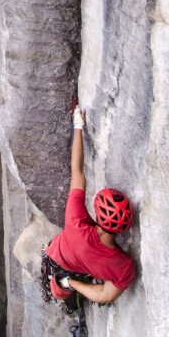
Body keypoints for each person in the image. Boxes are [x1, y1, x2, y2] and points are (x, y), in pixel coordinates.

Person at [43, 106, 136, 307]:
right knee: (62, 291)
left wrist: (78, 125)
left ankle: (63, 287)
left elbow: (77, 171)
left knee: (60, 292)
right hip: (68, 270)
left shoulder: (76, 220)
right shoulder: (123, 267)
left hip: (54, 256)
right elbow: (106, 295)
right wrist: (71, 282)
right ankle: (65, 286)